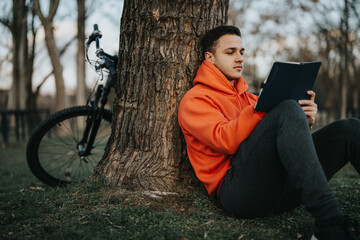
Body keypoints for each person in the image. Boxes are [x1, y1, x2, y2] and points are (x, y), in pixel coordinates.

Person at [178, 25, 360, 240]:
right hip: (239, 193)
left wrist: (306, 118)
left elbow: (284, 140)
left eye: (241, 52)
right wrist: (262, 109)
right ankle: (329, 226)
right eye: (230, 52)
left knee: (348, 128)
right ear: (210, 57)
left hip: (280, 189)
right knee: (287, 108)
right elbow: (224, 140)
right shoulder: (196, 99)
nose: (239, 58)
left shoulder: (251, 99)